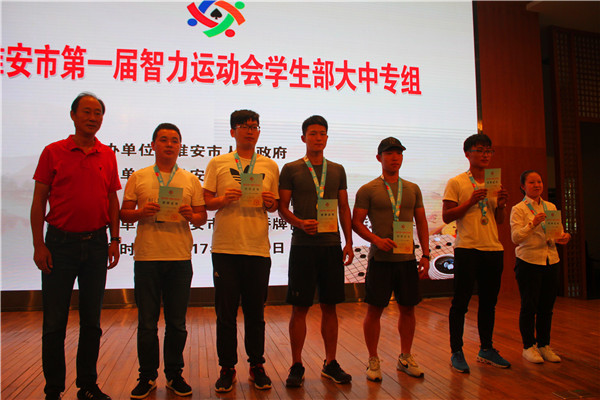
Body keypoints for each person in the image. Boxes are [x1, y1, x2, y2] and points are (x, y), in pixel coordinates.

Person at [31, 92, 121, 400]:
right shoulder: (52, 152)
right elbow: (39, 200)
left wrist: (114, 239)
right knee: (54, 321)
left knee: (92, 321)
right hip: (59, 245)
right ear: (73, 115)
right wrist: (38, 244)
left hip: (96, 244)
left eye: (98, 113)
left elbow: (112, 199)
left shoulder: (107, 154)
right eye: (87, 112)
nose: (93, 118)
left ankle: (87, 385)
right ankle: (53, 390)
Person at [120, 123, 207, 398]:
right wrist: (141, 212)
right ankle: (147, 376)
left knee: (177, 323)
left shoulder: (190, 180)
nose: (169, 145)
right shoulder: (139, 177)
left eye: (174, 140)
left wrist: (191, 216)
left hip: (179, 258)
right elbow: (124, 213)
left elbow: (202, 217)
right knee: (147, 323)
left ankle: (174, 375)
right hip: (147, 257)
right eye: (163, 140)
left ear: (180, 146)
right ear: (153, 145)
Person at [203, 110, 279, 393]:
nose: (250, 130)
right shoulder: (218, 163)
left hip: (257, 248)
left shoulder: (270, 165)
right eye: (244, 126)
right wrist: (223, 199)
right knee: (225, 313)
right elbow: (206, 202)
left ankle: (257, 365)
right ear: (232, 131)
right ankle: (227, 367)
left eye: (254, 126)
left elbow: (274, 205)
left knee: (255, 313)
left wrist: (270, 202)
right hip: (226, 248)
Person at [278, 115, 354, 387]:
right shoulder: (291, 169)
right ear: (303, 138)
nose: (318, 137)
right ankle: (296, 364)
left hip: (331, 246)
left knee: (330, 306)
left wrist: (349, 242)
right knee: (299, 308)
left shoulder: (337, 170)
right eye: (312, 133)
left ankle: (330, 363)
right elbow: (282, 207)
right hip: (303, 246)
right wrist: (299, 223)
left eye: (322, 133)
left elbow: (343, 207)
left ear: (327, 138)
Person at [352, 137, 430, 382]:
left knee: (408, 309)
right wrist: (376, 240)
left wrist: (426, 254)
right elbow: (356, 223)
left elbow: (422, 222)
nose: (395, 157)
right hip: (381, 260)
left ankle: (405, 357)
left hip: (407, 259)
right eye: (389, 153)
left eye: (398, 153)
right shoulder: (368, 189)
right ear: (379, 158)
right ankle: (373, 359)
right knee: (374, 310)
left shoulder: (413, 188)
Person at [442, 133, 511, 373]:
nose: (485, 155)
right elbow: (447, 216)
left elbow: (499, 219)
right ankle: (456, 351)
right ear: (467, 153)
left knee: (489, 303)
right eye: (479, 150)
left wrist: (501, 205)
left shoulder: (494, 182)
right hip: (467, 248)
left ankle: (486, 349)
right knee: (461, 302)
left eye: (488, 150)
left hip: (493, 248)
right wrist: (470, 201)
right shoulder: (457, 182)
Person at [510, 170, 570, 364]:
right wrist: (532, 223)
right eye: (532, 182)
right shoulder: (519, 209)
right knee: (529, 306)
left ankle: (544, 345)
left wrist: (563, 237)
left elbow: (555, 233)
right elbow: (515, 238)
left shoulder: (550, 206)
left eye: (539, 182)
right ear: (523, 186)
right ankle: (528, 346)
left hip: (551, 260)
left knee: (547, 307)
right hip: (529, 261)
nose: (537, 185)